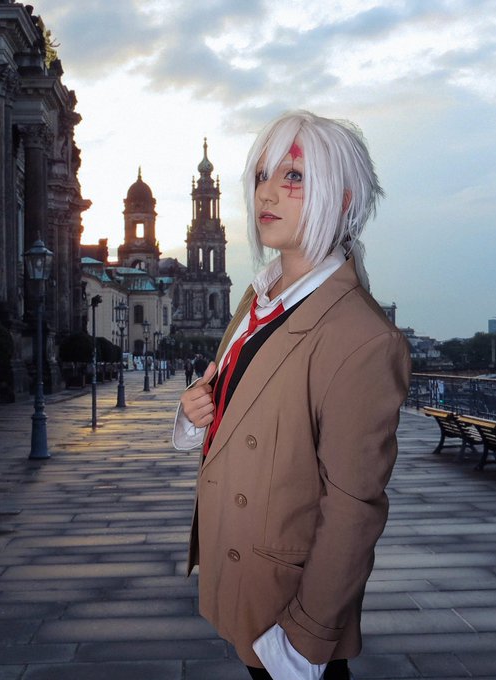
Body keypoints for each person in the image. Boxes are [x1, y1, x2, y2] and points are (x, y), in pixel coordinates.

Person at [173, 110, 411, 680]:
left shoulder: (363, 337)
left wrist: (305, 641)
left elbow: (354, 508)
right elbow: (245, 406)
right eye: (262, 175)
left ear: (342, 198)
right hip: (243, 582)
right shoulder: (259, 297)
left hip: (289, 615)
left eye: (294, 176)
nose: (267, 192)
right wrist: (194, 411)